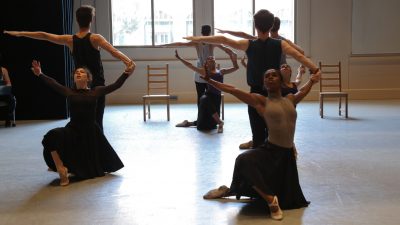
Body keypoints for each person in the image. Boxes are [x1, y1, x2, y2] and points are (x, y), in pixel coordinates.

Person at [185, 9, 321, 151]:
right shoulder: (280, 44)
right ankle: (264, 147)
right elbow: (299, 55)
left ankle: (258, 146)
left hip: (259, 92)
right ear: (271, 26)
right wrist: (315, 69)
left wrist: (199, 39)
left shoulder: (249, 44)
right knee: (272, 128)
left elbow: (224, 40)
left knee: (258, 130)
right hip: (273, 92)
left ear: (255, 26)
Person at [200, 67, 320, 220]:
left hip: (287, 155)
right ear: (264, 83)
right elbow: (233, 90)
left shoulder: (290, 99)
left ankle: (227, 190)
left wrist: (312, 80)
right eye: (267, 76)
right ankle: (272, 202)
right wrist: (209, 80)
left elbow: (302, 91)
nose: (270, 78)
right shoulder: (261, 101)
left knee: (286, 197)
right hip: (271, 150)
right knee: (243, 160)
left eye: (274, 75)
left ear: (281, 80)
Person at [4, 5, 134, 130]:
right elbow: (113, 51)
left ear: (77, 20)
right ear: (91, 20)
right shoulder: (96, 38)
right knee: (97, 121)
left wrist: (20, 33)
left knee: (78, 121)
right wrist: (128, 62)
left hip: (78, 87)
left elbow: (44, 35)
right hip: (96, 86)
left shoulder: (69, 40)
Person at [31, 59, 135, 186]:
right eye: (76, 73)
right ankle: (61, 169)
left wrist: (126, 73)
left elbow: (115, 85)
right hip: (73, 130)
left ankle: (70, 169)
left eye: (82, 72)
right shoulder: (69, 92)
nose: (78, 73)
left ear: (88, 78)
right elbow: (53, 83)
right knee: (51, 136)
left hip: (90, 133)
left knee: (88, 165)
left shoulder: (95, 91)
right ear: (74, 79)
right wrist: (40, 73)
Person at [160, 25, 230, 127]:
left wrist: (230, 51)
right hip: (201, 72)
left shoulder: (211, 42)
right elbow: (181, 44)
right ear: (206, 33)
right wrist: (166, 44)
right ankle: (201, 119)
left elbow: (223, 46)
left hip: (210, 73)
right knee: (202, 98)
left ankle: (214, 119)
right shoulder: (198, 42)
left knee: (211, 97)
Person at [174, 47, 239, 132]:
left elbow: (236, 67)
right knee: (203, 102)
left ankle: (189, 123)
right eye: (209, 58)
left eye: (212, 58)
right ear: (206, 63)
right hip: (208, 96)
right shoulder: (205, 72)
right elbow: (190, 66)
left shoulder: (221, 71)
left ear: (215, 61)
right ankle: (220, 122)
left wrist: (233, 58)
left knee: (211, 125)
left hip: (216, 98)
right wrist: (179, 58)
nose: (211, 58)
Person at [0, 53, 16, 127]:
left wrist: (5, 88)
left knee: (11, 99)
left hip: (2, 92)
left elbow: (9, 83)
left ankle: (8, 118)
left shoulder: (3, 70)